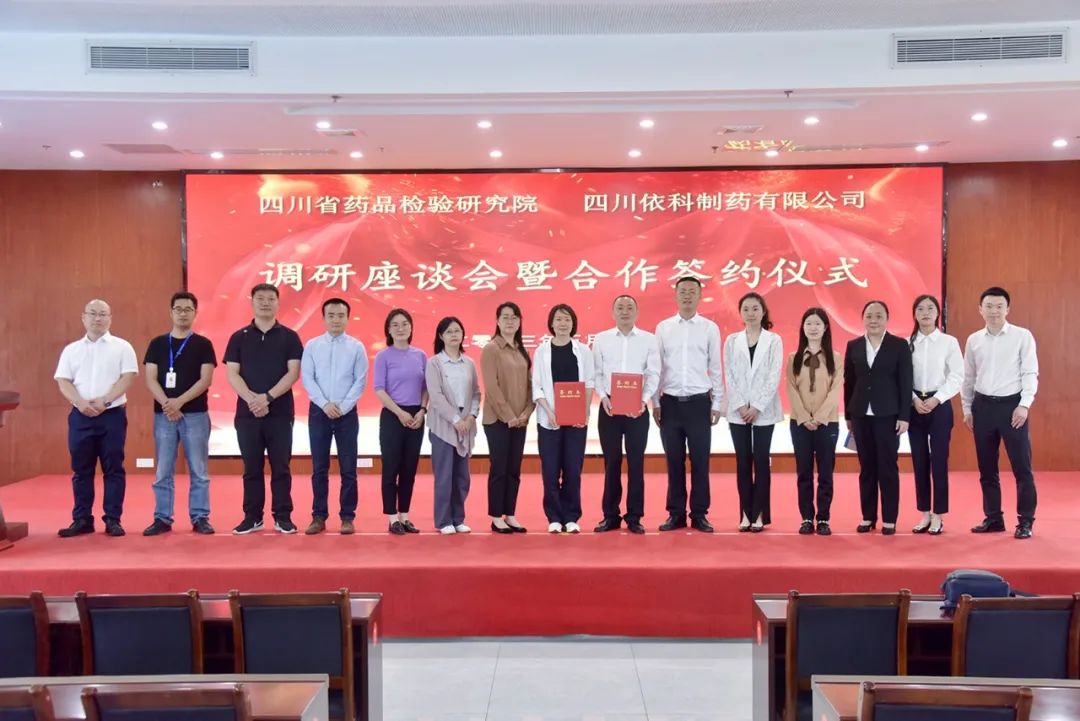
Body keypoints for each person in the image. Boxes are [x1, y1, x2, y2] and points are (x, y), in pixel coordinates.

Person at [54, 299, 138, 537]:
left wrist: (105, 401)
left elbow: (128, 377)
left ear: (110, 318)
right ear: (83, 317)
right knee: (81, 469)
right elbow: (63, 380)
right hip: (80, 416)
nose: (97, 318)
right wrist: (80, 403)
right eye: (92, 313)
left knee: (113, 468)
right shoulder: (71, 350)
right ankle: (82, 519)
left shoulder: (122, 347)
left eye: (103, 314)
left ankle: (113, 519)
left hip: (112, 415)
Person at [224, 283, 303, 535]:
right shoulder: (239, 337)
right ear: (252, 302)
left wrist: (267, 398)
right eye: (260, 298)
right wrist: (252, 400)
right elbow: (232, 373)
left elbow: (293, 373)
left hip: (280, 413)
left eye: (271, 298)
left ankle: (283, 516)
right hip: (247, 414)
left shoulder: (290, 337)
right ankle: (252, 517)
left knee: (281, 467)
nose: (265, 303)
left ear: (278, 303)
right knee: (251, 467)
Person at [961, 287, 1039, 539]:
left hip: (1012, 407)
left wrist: (1024, 404)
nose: (994, 311)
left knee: (1022, 467)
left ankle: (1025, 521)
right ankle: (993, 518)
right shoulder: (974, 340)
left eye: (999, 306)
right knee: (987, 468)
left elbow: (1030, 372)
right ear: (980, 309)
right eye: (989, 306)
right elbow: (968, 377)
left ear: (1008, 309)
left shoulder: (1022, 336)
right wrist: (967, 408)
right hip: (982, 407)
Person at [142, 291, 218, 536]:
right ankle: (162, 518)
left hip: (195, 415)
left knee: (199, 470)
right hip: (163, 415)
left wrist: (179, 402)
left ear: (195, 313)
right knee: (163, 470)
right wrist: (167, 404)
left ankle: (200, 517)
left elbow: (205, 380)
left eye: (188, 309)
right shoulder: (157, 344)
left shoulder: (203, 345)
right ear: (171, 312)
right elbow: (150, 379)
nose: (183, 313)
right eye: (178, 309)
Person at [653, 276, 724, 533]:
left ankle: (699, 514)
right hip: (670, 403)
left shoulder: (709, 328)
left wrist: (717, 402)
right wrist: (655, 401)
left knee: (700, 461)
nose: (687, 295)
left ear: (699, 296)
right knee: (674, 462)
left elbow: (715, 367)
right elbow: (656, 367)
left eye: (692, 291)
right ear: (675, 295)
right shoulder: (663, 328)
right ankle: (675, 514)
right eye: (682, 291)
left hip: (699, 403)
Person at [844, 300, 913, 536]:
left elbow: (905, 382)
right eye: (869, 316)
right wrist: (849, 415)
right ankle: (868, 517)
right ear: (863, 319)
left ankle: (890, 519)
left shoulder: (899, 345)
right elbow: (849, 382)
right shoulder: (853, 345)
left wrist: (904, 416)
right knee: (867, 467)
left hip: (888, 415)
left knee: (888, 466)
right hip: (861, 415)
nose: (874, 320)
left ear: (887, 319)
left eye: (879, 316)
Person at [592, 294, 660, 535]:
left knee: (636, 463)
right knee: (611, 463)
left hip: (637, 409)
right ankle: (610, 516)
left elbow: (653, 373)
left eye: (629, 307)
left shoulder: (649, 340)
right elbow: (597, 373)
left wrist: (644, 400)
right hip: (609, 408)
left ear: (637, 312)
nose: (624, 311)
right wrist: (604, 397)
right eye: (620, 307)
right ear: (613, 312)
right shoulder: (601, 339)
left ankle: (634, 516)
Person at [300, 298, 368, 535]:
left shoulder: (356, 347)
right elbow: (307, 378)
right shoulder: (312, 346)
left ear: (347, 318)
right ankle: (318, 516)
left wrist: (343, 406)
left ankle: (347, 517)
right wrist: (324, 404)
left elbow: (360, 381)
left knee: (348, 468)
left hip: (346, 414)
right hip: (319, 412)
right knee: (319, 467)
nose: (336, 320)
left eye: (340, 315)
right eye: (331, 315)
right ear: (323, 318)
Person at [724, 292, 784, 532]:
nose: (751, 313)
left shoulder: (774, 340)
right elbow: (729, 374)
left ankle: (759, 513)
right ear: (740, 313)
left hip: (763, 411)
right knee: (742, 462)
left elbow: (774, 375)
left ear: (763, 311)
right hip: (738, 411)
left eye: (755, 309)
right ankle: (745, 513)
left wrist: (757, 405)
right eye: (746, 309)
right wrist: (740, 404)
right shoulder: (732, 341)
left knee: (761, 461)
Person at [532, 304, 595, 534]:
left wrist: (584, 413)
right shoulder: (542, 351)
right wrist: (550, 413)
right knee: (550, 471)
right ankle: (554, 517)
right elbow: (537, 387)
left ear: (573, 323)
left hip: (576, 421)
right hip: (549, 420)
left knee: (572, 470)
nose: (563, 323)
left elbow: (589, 383)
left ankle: (571, 516)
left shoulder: (583, 351)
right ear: (551, 323)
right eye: (558, 319)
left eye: (567, 319)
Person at [907, 295, 964, 535]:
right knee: (919, 461)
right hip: (914, 406)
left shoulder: (948, 342)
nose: (926, 312)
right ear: (914, 314)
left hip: (939, 405)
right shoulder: (906, 343)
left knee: (939, 461)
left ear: (938, 313)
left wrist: (937, 398)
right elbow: (901, 377)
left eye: (930, 308)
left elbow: (957, 375)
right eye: (920, 309)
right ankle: (924, 513)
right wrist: (913, 399)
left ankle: (938, 515)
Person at [787, 308, 843, 536]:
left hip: (827, 423)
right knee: (804, 473)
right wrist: (804, 417)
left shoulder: (836, 358)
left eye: (817, 323)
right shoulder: (793, 358)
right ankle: (806, 518)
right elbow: (791, 388)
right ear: (803, 327)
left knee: (826, 473)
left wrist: (819, 418)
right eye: (808, 323)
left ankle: (823, 518)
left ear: (825, 328)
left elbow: (835, 390)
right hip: (799, 423)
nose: (813, 327)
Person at [481, 302, 534, 534]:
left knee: (514, 469)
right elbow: (491, 387)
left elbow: (531, 386)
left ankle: (510, 514)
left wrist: (526, 412)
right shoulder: (491, 349)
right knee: (499, 468)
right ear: (497, 321)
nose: (510, 321)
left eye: (514, 317)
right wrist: (509, 415)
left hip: (520, 421)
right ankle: (496, 517)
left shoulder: (522, 350)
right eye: (505, 317)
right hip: (498, 421)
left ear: (520, 321)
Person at [374, 308, 428, 535]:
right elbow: (379, 389)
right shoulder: (383, 356)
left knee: (409, 469)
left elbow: (426, 387)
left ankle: (405, 516)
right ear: (388, 329)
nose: (400, 328)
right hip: (393, 415)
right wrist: (399, 413)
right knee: (391, 468)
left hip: (416, 417)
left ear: (411, 327)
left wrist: (422, 410)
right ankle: (392, 517)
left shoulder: (421, 355)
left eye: (404, 323)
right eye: (395, 324)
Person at [425, 316, 481, 535]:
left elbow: (476, 393)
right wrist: (456, 420)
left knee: (462, 477)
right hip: (444, 425)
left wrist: (471, 417)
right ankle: (444, 520)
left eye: (457, 331)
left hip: (465, 425)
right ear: (441, 336)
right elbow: (436, 396)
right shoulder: (434, 363)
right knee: (444, 476)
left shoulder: (469, 363)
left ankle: (458, 518)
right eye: (449, 332)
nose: (454, 335)